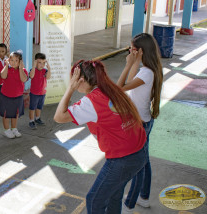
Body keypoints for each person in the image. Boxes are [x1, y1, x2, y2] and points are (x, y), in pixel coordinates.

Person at [53, 60, 147, 213]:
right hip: (138, 153)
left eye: (73, 79)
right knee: (113, 195)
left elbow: (59, 116)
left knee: (94, 200)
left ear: (80, 80)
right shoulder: (111, 89)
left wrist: (70, 89)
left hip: (123, 158)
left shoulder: (91, 102)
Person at [117, 33, 163, 213]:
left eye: (133, 50)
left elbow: (121, 87)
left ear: (141, 51)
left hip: (140, 125)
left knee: (138, 165)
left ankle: (129, 204)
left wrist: (129, 63)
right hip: (144, 121)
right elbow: (130, 82)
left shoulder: (146, 73)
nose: (130, 52)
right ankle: (143, 197)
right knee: (144, 162)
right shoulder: (148, 69)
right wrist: (135, 61)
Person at [0, 51, 28, 139]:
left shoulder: (23, 70)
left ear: (20, 62)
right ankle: (6, 130)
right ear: (8, 60)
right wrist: (6, 65)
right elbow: (3, 76)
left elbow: (23, 79)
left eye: (16, 60)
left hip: (17, 96)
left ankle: (14, 128)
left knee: (15, 113)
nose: (13, 62)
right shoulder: (7, 69)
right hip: (6, 96)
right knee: (6, 114)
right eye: (11, 60)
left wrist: (21, 68)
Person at [28, 53, 51, 129]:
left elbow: (48, 77)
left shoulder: (45, 70)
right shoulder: (33, 70)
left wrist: (49, 68)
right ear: (35, 62)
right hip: (34, 93)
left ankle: (37, 118)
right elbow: (31, 76)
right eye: (39, 62)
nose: (42, 65)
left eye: (44, 63)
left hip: (42, 93)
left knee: (39, 107)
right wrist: (34, 66)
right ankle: (31, 121)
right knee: (32, 107)